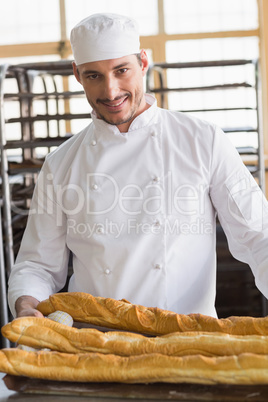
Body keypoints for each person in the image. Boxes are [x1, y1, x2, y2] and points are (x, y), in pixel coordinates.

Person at [8, 13, 268, 319]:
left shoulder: (203, 141)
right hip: (98, 347)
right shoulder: (60, 164)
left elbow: (258, 235)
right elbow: (37, 265)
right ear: (77, 74)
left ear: (143, 62)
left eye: (121, 70)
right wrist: (26, 305)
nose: (111, 91)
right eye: (94, 76)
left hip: (189, 341)